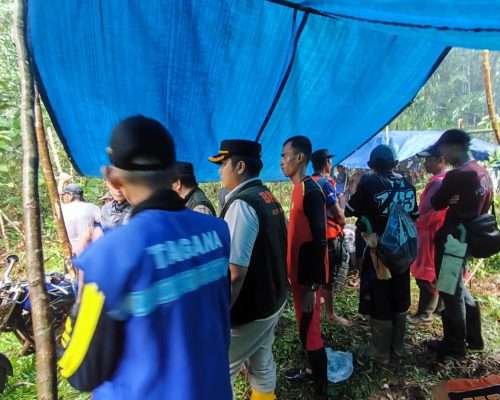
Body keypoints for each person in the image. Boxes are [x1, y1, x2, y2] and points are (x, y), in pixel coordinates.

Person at [58, 116, 232, 400]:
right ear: (173, 174)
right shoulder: (217, 232)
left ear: (113, 178)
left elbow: (78, 368)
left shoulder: (107, 257)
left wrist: (86, 272)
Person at [209, 140, 287, 400]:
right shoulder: (267, 196)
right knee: (261, 362)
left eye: (223, 164)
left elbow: (235, 272)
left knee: (218, 371)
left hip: (250, 310)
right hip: (273, 301)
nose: (220, 171)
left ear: (239, 166)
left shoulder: (242, 205)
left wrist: (220, 315)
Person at [345, 144, 418, 364]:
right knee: (400, 294)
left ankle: (379, 351)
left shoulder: (369, 182)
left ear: (370, 166)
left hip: (378, 252)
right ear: (395, 164)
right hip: (403, 252)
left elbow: (349, 210)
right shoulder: (407, 184)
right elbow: (414, 214)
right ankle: (398, 347)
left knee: (380, 297)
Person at [428, 129, 493, 360]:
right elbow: (484, 208)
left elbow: (437, 202)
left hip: (453, 241)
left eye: (443, 150)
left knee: (449, 292)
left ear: (454, 146)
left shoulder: (458, 176)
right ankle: (474, 339)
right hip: (470, 238)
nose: (442, 155)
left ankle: (454, 346)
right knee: (459, 288)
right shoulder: (483, 173)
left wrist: (451, 200)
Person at [280, 136, 329, 398]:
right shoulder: (297, 189)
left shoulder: (311, 191)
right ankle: (311, 372)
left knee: (310, 331)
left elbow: (319, 241)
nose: (281, 161)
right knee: (303, 326)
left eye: (284, 155)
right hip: (298, 276)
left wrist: (312, 285)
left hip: (307, 278)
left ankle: (321, 388)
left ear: (300, 158)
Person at [311, 149, 350, 326]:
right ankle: (331, 314)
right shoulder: (325, 184)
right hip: (328, 235)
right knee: (328, 276)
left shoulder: (309, 182)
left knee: (318, 269)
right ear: (327, 163)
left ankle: (318, 299)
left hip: (313, 235)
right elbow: (338, 214)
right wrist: (342, 221)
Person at [408, 145, 447, 324]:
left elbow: (438, 212)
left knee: (426, 275)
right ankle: (437, 308)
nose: (425, 163)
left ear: (441, 161)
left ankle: (425, 313)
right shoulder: (437, 181)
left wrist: (419, 221)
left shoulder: (440, 182)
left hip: (430, 233)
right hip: (426, 232)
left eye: (429, 160)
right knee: (429, 272)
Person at [60, 183, 101, 255]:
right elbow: (103, 224)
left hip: (69, 252)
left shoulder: (62, 209)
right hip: (88, 252)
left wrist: (61, 181)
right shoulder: (92, 207)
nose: (63, 197)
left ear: (70, 195)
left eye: (64, 195)